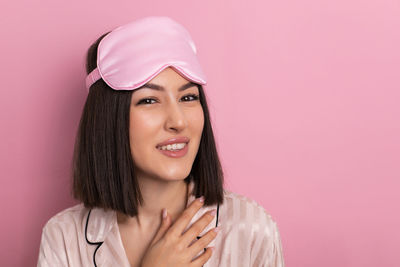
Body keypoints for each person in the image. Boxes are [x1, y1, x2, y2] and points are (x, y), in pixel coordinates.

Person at [37, 16, 285, 267]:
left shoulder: (251, 230)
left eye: (188, 97)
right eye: (149, 100)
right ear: (109, 119)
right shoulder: (64, 239)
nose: (178, 121)